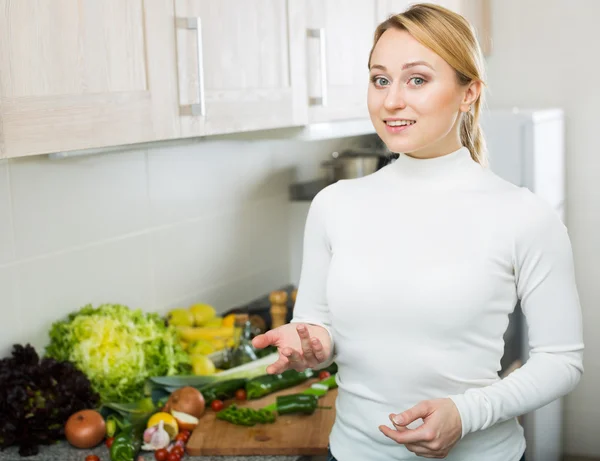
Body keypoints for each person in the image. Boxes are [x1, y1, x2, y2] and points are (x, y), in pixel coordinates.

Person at [252, 3, 584, 460]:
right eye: (380, 79)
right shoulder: (334, 205)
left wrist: (468, 413)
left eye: (417, 79)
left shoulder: (524, 216)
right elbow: (320, 328)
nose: (391, 101)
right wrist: (312, 345)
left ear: (469, 93)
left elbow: (561, 361)